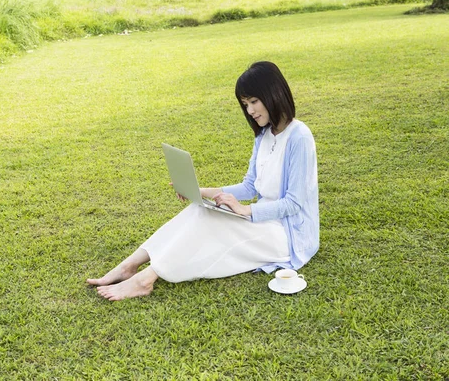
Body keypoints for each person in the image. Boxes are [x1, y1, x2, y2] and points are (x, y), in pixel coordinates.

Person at [87, 61, 319, 301]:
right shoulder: (264, 136)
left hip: (288, 235)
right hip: (264, 220)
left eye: (253, 102)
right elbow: (250, 186)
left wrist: (245, 210)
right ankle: (130, 265)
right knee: (199, 209)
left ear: (273, 94)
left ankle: (145, 279)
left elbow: (294, 203)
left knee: (209, 221)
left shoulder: (299, 137)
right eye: (245, 104)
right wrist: (199, 191)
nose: (250, 111)